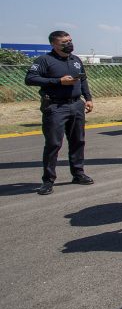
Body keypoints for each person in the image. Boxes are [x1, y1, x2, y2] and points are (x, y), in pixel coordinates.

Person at [25, 30, 94, 195]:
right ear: (53, 44)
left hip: (76, 105)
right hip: (56, 107)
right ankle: (48, 180)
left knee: (78, 141)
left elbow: (83, 79)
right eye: (64, 42)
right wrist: (58, 81)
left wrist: (88, 98)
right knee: (53, 144)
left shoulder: (76, 60)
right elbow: (30, 79)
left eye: (69, 41)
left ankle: (78, 173)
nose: (68, 44)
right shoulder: (44, 60)